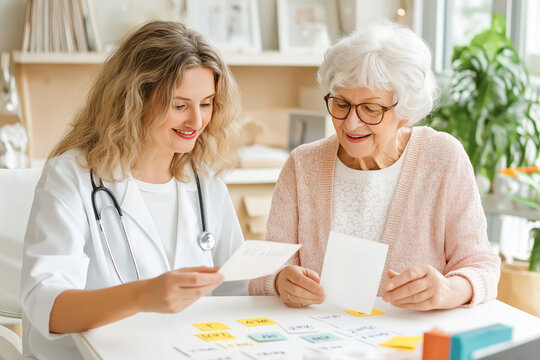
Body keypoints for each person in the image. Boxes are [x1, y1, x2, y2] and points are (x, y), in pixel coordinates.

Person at [20, 21, 246, 359]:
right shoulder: (72, 177)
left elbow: (238, 288)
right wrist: (143, 296)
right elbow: (47, 305)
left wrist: (278, 284)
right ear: (134, 99)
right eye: (179, 105)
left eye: (207, 103)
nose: (196, 122)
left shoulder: (205, 184)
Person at [249, 21, 501, 311]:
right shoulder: (303, 165)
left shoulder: (443, 158)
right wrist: (280, 281)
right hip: (320, 342)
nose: (351, 123)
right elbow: (264, 273)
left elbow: (481, 265)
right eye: (342, 104)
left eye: (370, 109)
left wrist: (449, 290)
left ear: (405, 110)